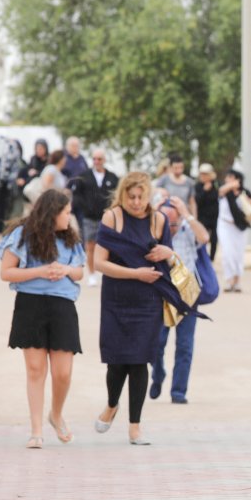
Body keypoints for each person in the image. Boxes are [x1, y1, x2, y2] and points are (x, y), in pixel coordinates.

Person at [93, 171, 178, 445]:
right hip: (117, 297)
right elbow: (99, 263)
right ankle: (111, 404)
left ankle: (135, 426)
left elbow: (170, 261)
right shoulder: (112, 217)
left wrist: (170, 253)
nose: (137, 202)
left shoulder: (158, 220)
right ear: (122, 195)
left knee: (141, 360)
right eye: (132, 197)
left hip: (148, 300)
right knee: (117, 360)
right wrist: (135, 273)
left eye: (142, 197)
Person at [0, 189, 86, 449]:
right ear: (53, 213)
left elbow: (80, 272)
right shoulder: (22, 235)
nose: (69, 217)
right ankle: (36, 429)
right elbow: (6, 273)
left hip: (63, 307)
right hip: (30, 305)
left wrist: (67, 269)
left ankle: (56, 414)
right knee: (36, 370)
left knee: (63, 373)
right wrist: (41, 271)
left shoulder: (70, 238)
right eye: (66, 212)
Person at [150, 195, 211, 403]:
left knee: (185, 345)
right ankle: (158, 375)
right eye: (166, 224)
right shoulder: (154, 231)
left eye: (173, 223)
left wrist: (187, 214)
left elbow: (204, 238)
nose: (170, 228)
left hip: (187, 293)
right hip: (162, 292)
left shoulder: (187, 230)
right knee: (157, 343)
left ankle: (178, 391)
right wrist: (152, 212)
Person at [69, 147, 120, 287]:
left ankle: (106, 271)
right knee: (90, 245)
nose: (97, 161)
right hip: (89, 217)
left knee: (107, 246)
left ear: (104, 160)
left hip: (107, 218)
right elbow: (77, 195)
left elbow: (117, 195)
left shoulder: (112, 177)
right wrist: (85, 208)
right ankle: (92, 274)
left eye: (99, 159)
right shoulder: (83, 176)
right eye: (94, 159)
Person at [218, 168, 251, 292]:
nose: (227, 180)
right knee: (227, 253)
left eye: (231, 177)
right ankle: (229, 280)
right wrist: (230, 186)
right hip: (225, 225)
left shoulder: (244, 192)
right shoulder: (224, 191)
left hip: (239, 226)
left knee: (238, 254)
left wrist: (245, 198)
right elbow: (221, 191)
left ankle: (237, 280)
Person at [154, 152, 196, 216]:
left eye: (181, 168)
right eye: (176, 168)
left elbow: (192, 202)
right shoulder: (164, 179)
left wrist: (194, 218)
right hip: (167, 215)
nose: (179, 170)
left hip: (184, 216)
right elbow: (155, 194)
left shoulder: (189, 182)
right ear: (171, 167)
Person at [194, 163, 220, 260]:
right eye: (202, 174)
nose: (203, 176)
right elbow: (197, 201)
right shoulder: (198, 186)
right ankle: (201, 257)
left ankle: (211, 258)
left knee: (214, 239)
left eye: (206, 174)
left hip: (214, 218)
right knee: (202, 238)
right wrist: (204, 190)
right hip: (202, 217)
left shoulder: (216, 185)